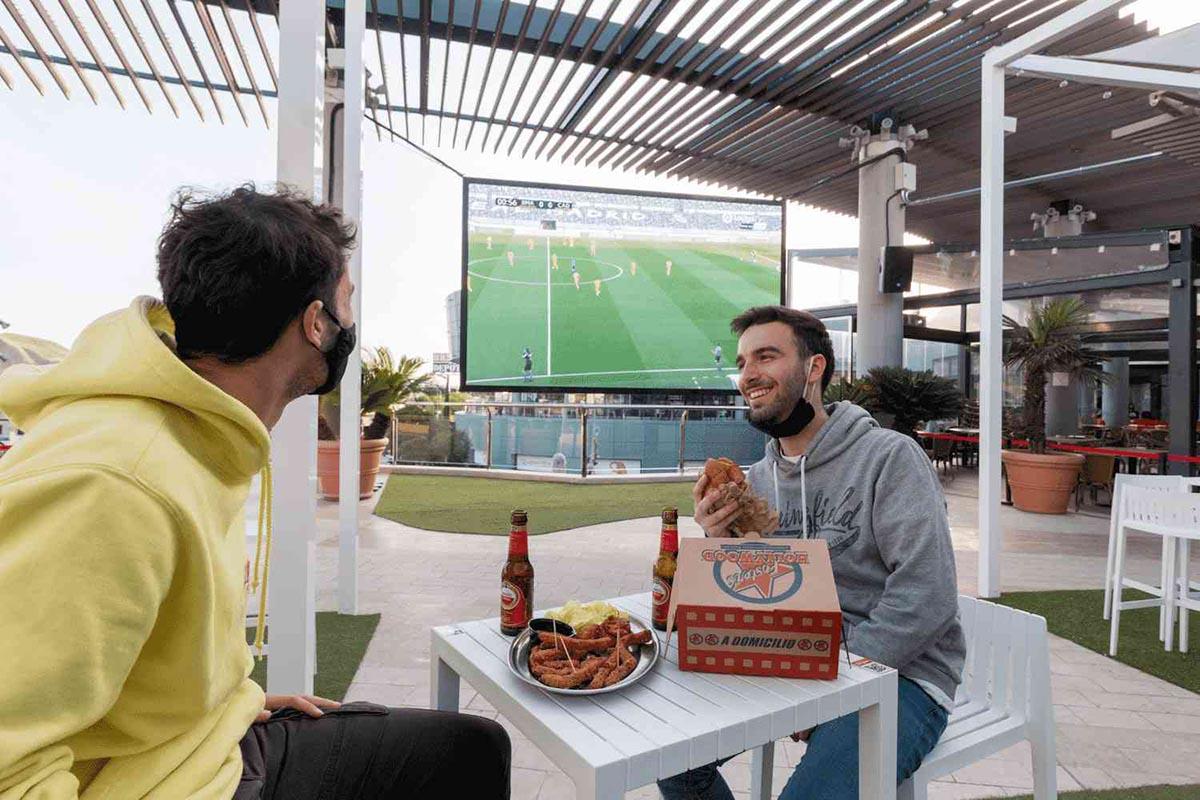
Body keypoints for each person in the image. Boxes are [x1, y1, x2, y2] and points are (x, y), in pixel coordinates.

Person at [0, 186, 511, 799]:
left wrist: (229, 698)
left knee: (471, 751)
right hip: (189, 786)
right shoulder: (113, 482)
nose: (351, 324)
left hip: (212, 741)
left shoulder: (201, 431)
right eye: (346, 304)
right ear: (315, 323)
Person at [660, 306, 963, 800]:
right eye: (741, 363)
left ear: (814, 368)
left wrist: (831, 686)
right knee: (673, 756)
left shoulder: (889, 458)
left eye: (766, 356)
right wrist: (720, 547)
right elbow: (754, 605)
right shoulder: (753, 483)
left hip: (900, 676)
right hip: (793, 663)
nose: (747, 375)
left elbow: (926, 595)